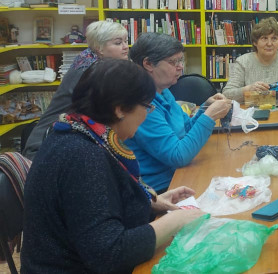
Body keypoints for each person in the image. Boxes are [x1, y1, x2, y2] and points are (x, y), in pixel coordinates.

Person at [22, 59, 205, 272]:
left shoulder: (76, 131)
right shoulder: (82, 156)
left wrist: (148, 203)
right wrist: (176, 220)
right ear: (119, 109)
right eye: (146, 106)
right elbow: (109, 253)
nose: (147, 114)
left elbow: (91, 209)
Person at [126, 32, 232, 193]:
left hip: (179, 175)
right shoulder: (141, 104)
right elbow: (178, 156)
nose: (180, 66)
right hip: (160, 189)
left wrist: (205, 108)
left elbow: (185, 129)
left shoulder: (163, 91)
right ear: (148, 64)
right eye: (172, 62)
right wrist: (210, 116)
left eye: (180, 60)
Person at [23, 20, 129, 159]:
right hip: (45, 148)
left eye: (126, 41)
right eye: (118, 43)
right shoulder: (89, 70)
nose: (125, 47)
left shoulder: (90, 58)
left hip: (65, 139)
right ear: (100, 48)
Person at [222, 17, 278, 102]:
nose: (269, 44)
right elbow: (226, 94)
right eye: (264, 38)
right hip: (251, 109)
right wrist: (248, 89)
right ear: (255, 42)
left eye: (274, 38)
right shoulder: (243, 61)